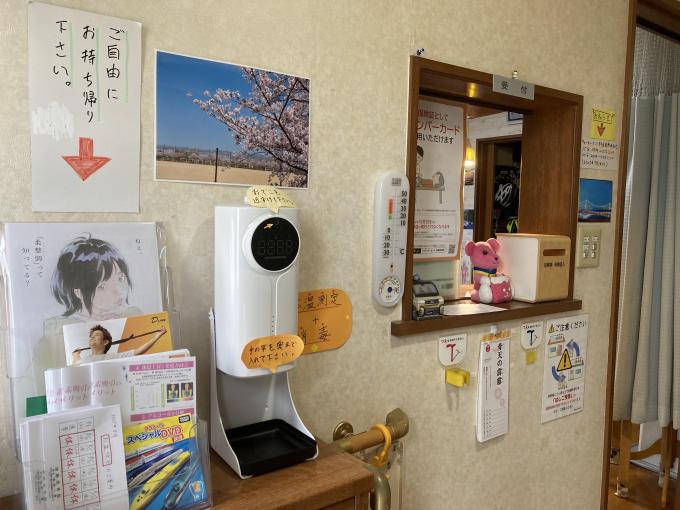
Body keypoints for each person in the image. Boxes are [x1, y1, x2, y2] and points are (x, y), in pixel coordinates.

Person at [35, 236, 144, 378]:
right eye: (102, 286)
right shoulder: (57, 332)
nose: (118, 291)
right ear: (78, 292)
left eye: (120, 278)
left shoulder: (134, 316)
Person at [71, 325, 167, 364]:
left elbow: (138, 351)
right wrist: (76, 355)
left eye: (96, 335)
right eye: (91, 336)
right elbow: (76, 364)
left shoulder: (111, 358)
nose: (92, 337)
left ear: (105, 342)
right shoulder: (83, 361)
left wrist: (157, 336)